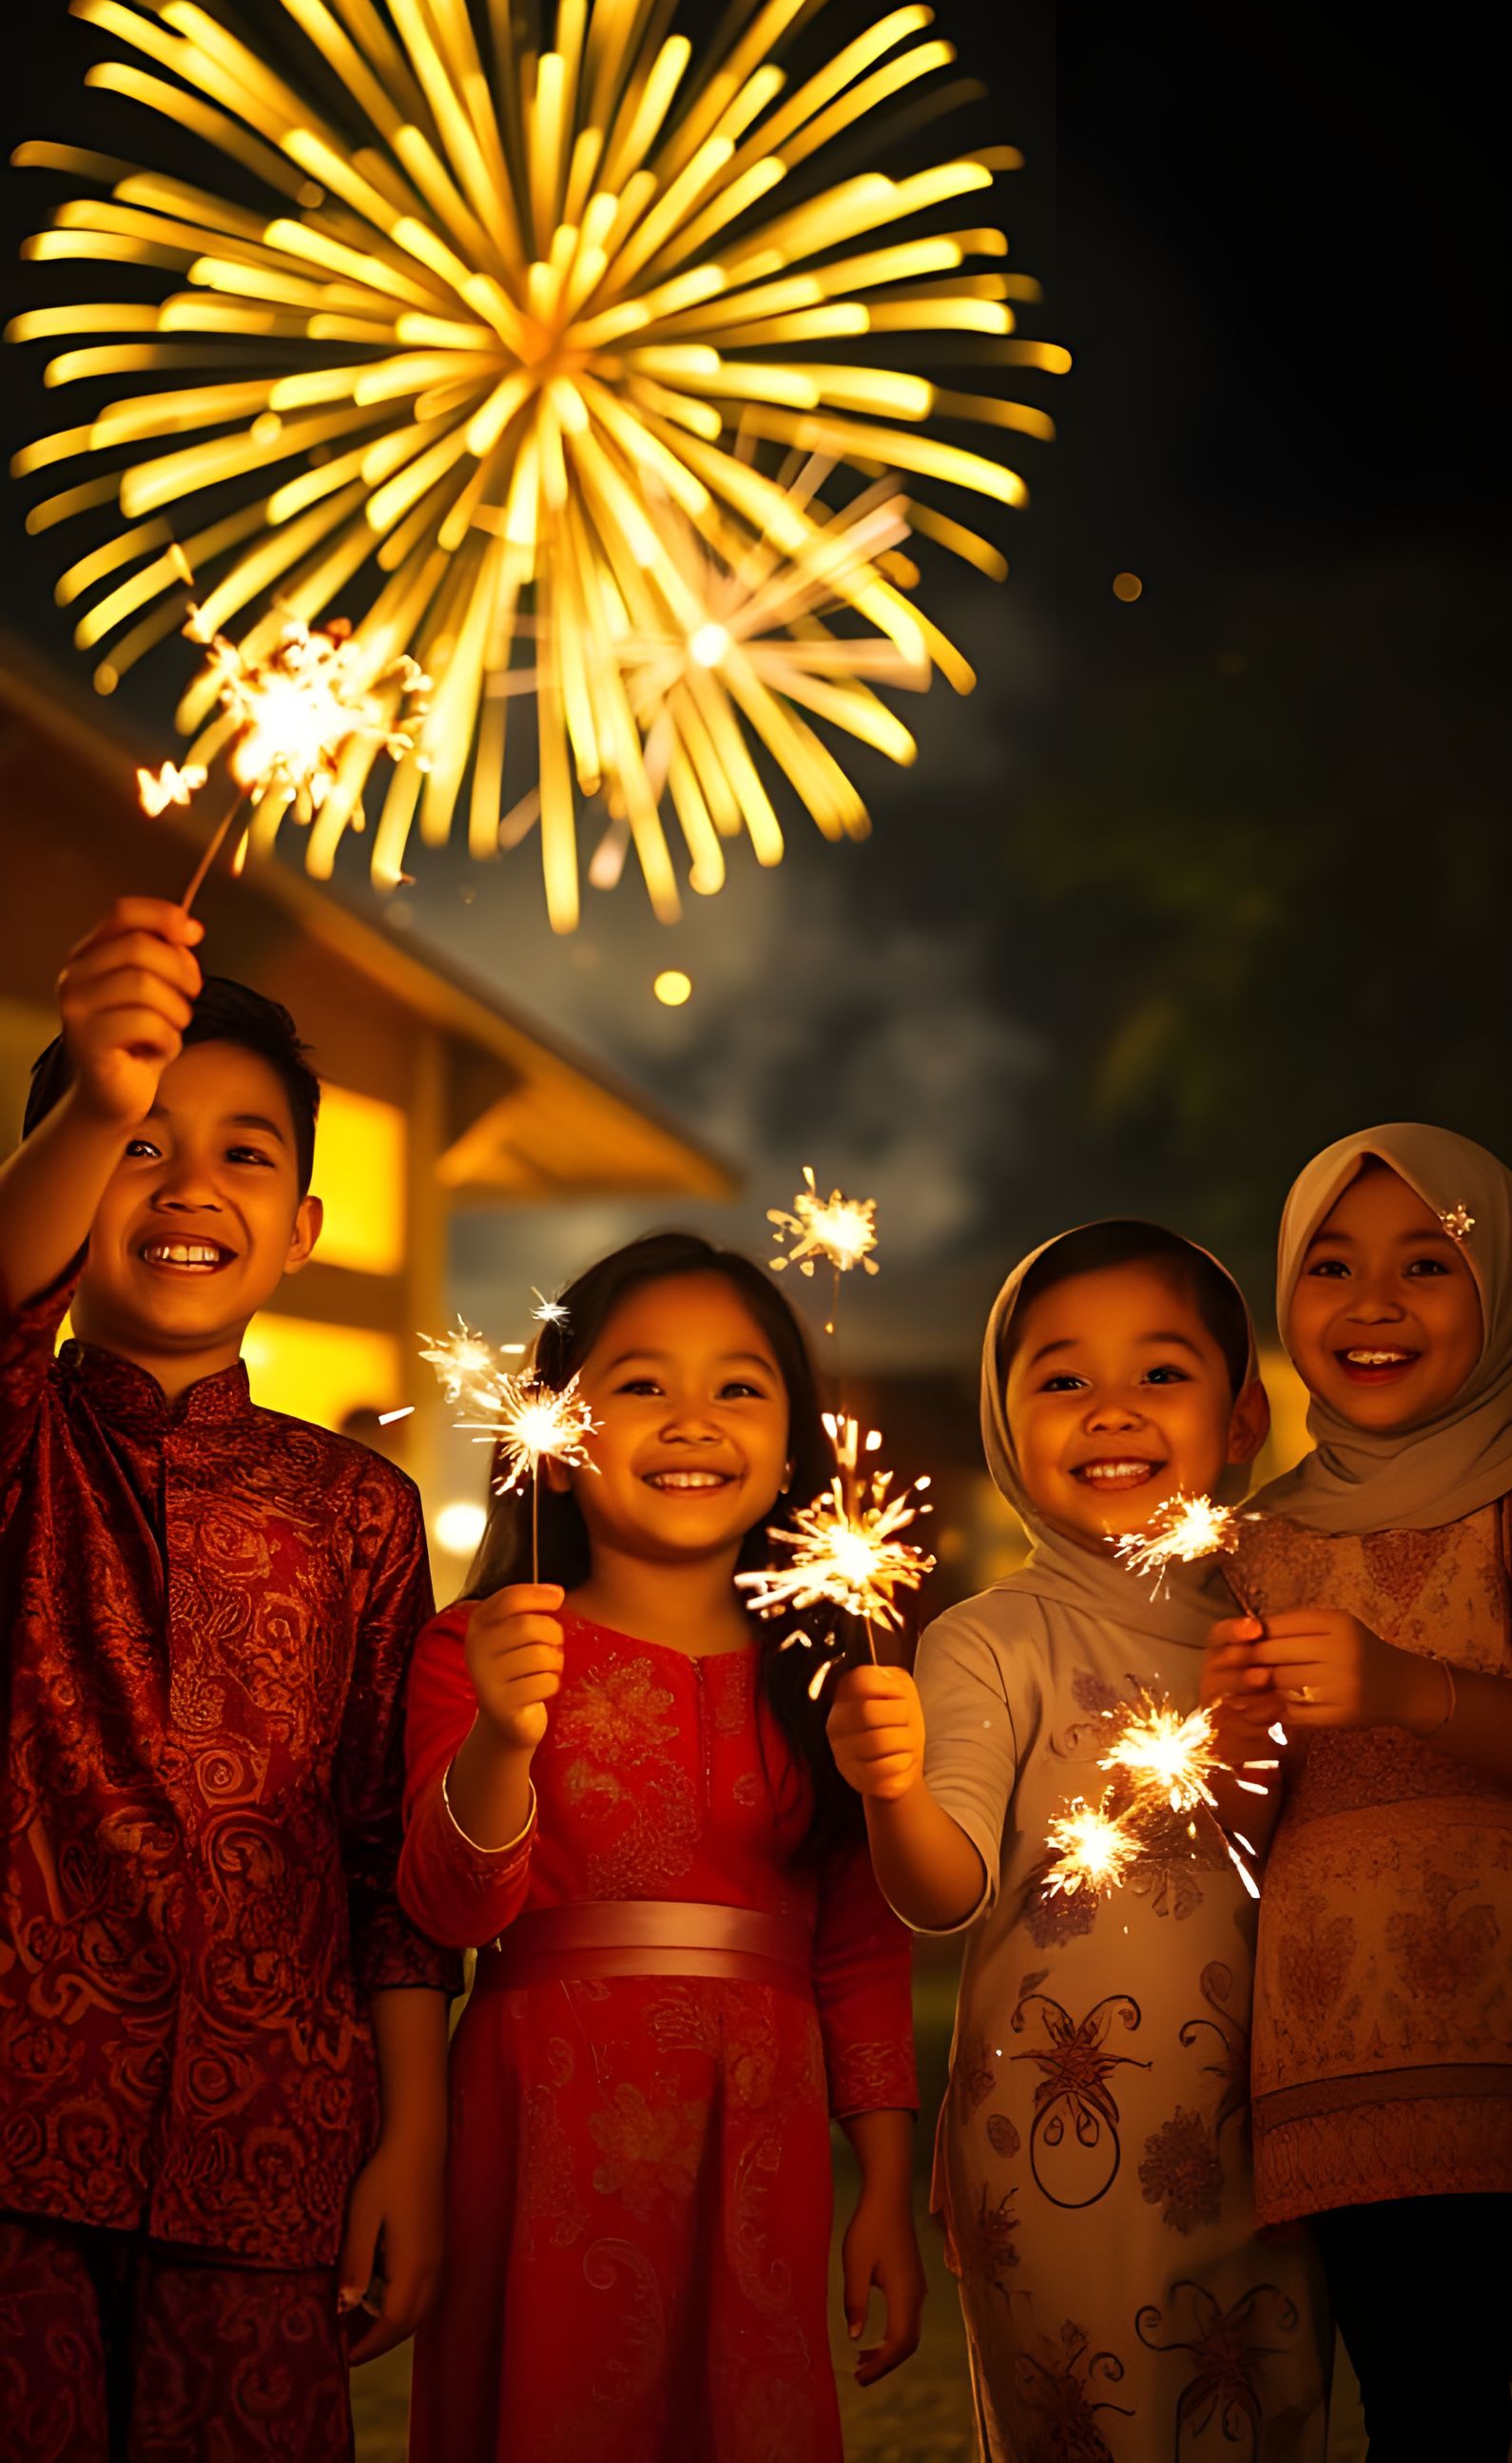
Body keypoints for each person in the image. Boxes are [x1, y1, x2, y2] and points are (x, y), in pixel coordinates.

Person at [0, 897, 455, 2462]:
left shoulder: (360, 1512)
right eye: (139, 1142)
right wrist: (92, 1098)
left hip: (270, 2144)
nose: (189, 1182)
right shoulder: (25, 1440)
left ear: (306, 1224)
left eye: (242, 1152)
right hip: (15, 2136)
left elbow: (386, 1857)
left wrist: (413, 2141)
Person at [398, 1232, 922, 2463]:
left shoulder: (835, 1674)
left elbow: (861, 1949)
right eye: (642, 1384)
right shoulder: (477, 1647)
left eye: (738, 1386)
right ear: (558, 1436)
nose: (693, 1419)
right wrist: (503, 1737)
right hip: (539, 2122)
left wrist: (888, 2188)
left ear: (793, 1447)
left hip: (762, 2130)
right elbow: (447, 1910)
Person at [827, 1220, 1330, 2462]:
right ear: (1003, 1426)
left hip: (1269, 2131)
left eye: (1160, 1371)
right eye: (1062, 1380)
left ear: (1245, 1417)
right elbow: (941, 1893)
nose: (1112, 1409)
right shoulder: (990, 1642)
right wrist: (892, 1793)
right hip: (1055, 2145)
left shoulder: (1295, 1624)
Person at [1204, 1125, 1512, 2459]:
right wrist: (1233, 1742)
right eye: (1330, 1266)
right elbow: (1239, 1835)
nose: (1373, 1303)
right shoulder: (1253, 1545)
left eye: (1427, 1265)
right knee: (1424, 2415)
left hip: (1506, 2052)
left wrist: (1409, 1689)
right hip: (1344, 2076)